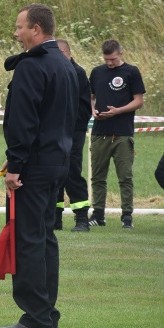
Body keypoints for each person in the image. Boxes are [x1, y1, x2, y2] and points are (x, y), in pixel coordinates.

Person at [0, 3, 77, 328]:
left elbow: (24, 119)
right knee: (45, 237)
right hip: (57, 161)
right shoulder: (65, 64)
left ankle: (36, 316)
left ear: (36, 29)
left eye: (19, 27)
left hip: (33, 166)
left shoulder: (32, 67)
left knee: (28, 238)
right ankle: (46, 310)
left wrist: (16, 163)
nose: (16, 33)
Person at [88, 39, 145, 229]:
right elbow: (92, 96)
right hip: (99, 132)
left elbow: (138, 101)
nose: (109, 63)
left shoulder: (131, 72)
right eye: (106, 59)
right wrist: (93, 110)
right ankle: (98, 214)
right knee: (97, 176)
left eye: (112, 59)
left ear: (121, 53)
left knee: (125, 177)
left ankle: (127, 216)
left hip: (122, 133)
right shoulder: (97, 72)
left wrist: (118, 111)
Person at [55, 39, 92, 232]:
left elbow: (84, 109)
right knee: (54, 173)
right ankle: (55, 218)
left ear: (67, 53)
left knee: (72, 173)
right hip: (54, 134)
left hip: (72, 134)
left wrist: (70, 129)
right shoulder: (54, 72)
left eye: (60, 54)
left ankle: (81, 217)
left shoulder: (78, 74)